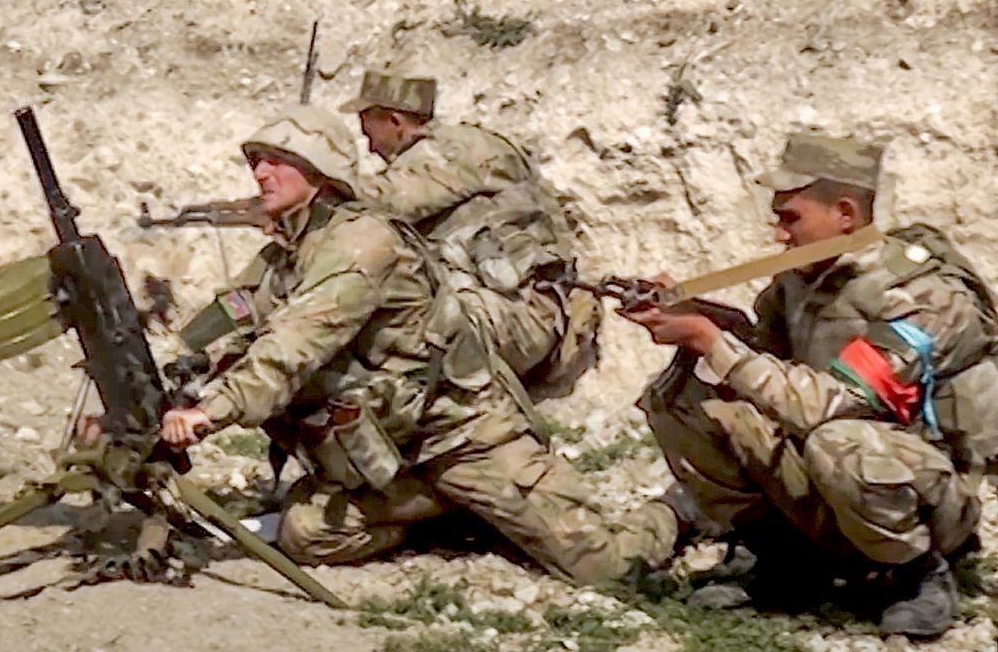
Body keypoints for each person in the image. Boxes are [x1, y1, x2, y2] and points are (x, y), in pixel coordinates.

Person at [148, 104, 673, 580]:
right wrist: (170, 370)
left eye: (277, 161)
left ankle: (682, 509)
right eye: (255, 162)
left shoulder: (362, 243)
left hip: (463, 439)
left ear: (320, 170)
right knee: (306, 534)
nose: (260, 174)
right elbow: (234, 316)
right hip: (390, 457)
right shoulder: (291, 252)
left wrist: (209, 413)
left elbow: (293, 343)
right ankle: (451, 513)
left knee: (605, 567)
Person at [619, 133, 998, 637]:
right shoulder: (800, 283)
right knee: (686, 403)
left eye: (790, 218)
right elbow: (767, 363)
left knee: (838, 440)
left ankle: (916, 575)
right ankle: (787, 563)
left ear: (845, 214)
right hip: (834, 476)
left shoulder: (921, 295)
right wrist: (693, 315)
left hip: (921, 492)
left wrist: (708, 339)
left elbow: (832, 402)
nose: (779, 234)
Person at [339, 69, 600, 400]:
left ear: (395, 121)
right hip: (518, 314)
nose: (370, 148)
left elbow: (383, 203)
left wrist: (310, 185)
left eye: (369, 134)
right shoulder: (459, 149)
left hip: (519, 317)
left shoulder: (449, 153)